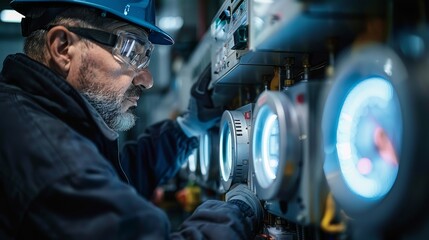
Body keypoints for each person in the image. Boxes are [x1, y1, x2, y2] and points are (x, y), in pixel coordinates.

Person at [0, 0, 263, 239]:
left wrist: (187, 128)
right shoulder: (55, 164)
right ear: (63, 48)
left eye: (145, 55)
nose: (147, 80)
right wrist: (239, 210)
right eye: (130, 49)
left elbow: (114, 179)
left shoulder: (32, 115)